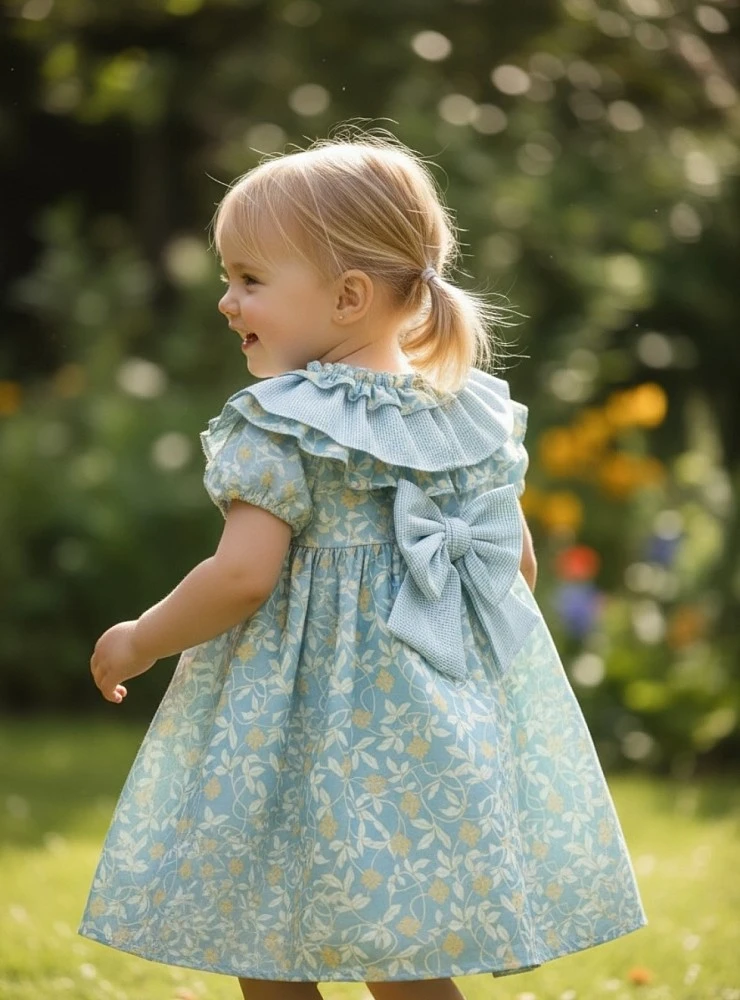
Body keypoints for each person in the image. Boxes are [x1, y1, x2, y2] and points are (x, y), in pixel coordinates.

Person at [78, 132, 647, 1000]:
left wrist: (142, 638)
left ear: (347, 296)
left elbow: (242, 577)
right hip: (426, 730)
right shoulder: (469, 412)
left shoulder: (282, 422)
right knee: (405, 950)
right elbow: (513, 567)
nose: (228, 302)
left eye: (250, 280)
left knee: (267, 927)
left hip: (292, 725)